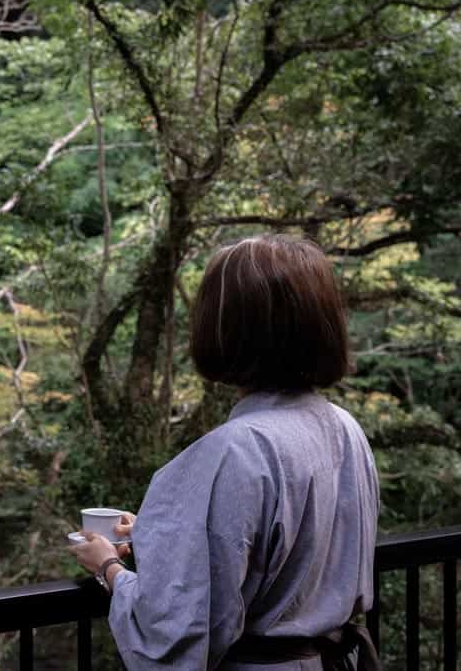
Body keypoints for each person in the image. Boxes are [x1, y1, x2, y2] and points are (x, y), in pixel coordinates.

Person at [70, 234, 381, 670]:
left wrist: (109, 570)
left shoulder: (234, 451)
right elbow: (276, 552)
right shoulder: (345, 429)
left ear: (227, 328)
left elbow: (175, 631)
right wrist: (163, 535)